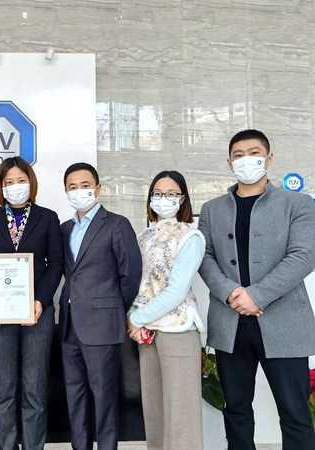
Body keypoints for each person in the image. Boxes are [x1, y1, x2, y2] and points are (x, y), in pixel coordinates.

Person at [198, 129, 315, 450]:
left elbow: (304, 255)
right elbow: (204, 257)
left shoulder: (298, 203)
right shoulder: (212, 209)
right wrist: (230, 293)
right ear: (229, 163)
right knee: (236, 411)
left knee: (294, 413)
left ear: (269, 158)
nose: (246, 160)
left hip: (284, 323)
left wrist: (256, 295)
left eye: (254, 153)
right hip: (230, 324)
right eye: (238, 155)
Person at [0, 157, 64, 450]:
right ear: (1, 187)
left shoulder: (47, 217)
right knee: (4, 391)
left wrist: (41, 300)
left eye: (21, 181)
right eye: (9, 182)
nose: (15, 187)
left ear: (31, 183)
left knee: (34, 390)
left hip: (37, 314)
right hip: (0, 315)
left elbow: (56, 263)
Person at [59, 162, 142, 450]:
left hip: (102, 325)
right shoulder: (64, 228)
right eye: (72, 187)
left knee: (104, 395)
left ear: (97, 188)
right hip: (69, 325)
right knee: (75, 395)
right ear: (66, 191)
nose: (79, 191)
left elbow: (130, 275)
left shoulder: (117, 224)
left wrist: (113, 310)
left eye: (85, 185)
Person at [127, 170, 205, 450]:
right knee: (155, 412)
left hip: (178, 330)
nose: (163, 199)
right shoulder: (143, 236)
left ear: (182, 199)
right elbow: (138, 284)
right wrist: (134, 320)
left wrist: (136, 319)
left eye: (171, 194)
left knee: (181, 415)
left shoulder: (190, 237)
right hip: (147, 334)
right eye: (158, 193)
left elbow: (176, 291)